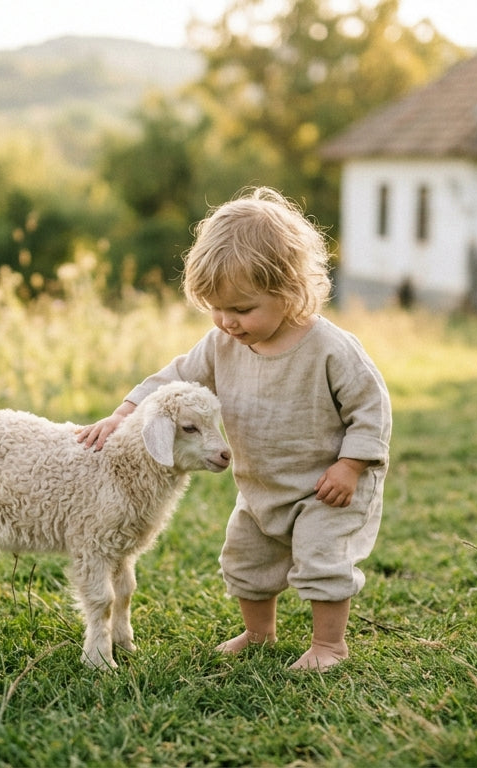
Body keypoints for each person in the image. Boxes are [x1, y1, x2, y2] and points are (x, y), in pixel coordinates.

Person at [77, 187, 391, 671]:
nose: (227, 321)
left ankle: (329, 645)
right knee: (245, 561)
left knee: (321, 560)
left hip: (326, 488)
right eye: (215, 309)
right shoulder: (221, 344)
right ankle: (259, 632)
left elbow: (371, 408)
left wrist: (350, 466)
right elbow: (173, 379)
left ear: (288, 291)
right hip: (260, 486)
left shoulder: (330, 349)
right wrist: (125, 411)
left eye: (242, 309)